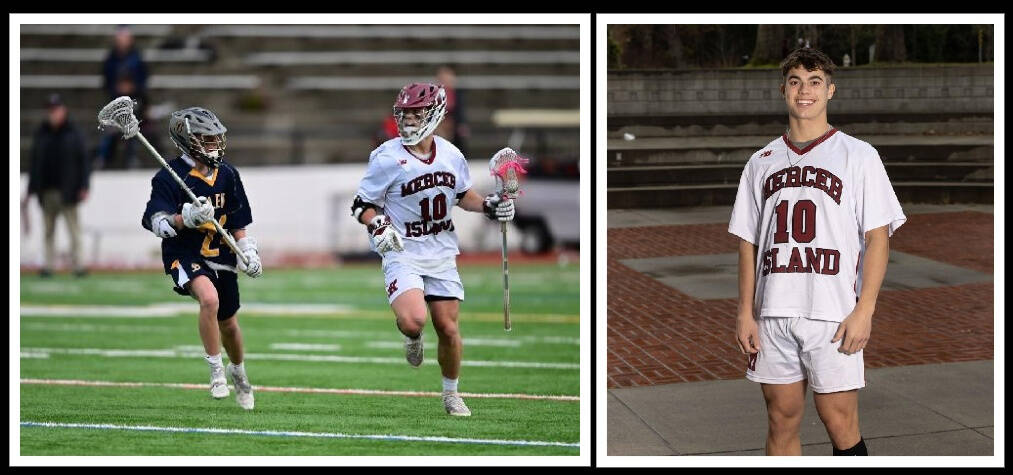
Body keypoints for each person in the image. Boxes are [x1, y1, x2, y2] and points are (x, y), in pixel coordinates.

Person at [728, 48, 906, 456]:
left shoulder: (859, 155)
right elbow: (747, 242)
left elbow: (878, 238)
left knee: (840, 423)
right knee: (780, 420)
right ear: (783, 90)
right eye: (795, 82)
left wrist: (865, 310)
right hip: (772, 312)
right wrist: (744, 312)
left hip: (833, 312)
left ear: (830, 90)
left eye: (814, 82)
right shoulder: (761, 161)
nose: (804, 91)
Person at [351, 82, 515, 416]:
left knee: (448, 327)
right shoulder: (387, 157)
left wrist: (488, 205)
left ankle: (451, 394)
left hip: (440, 251)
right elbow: (360, 205)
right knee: (414, 321)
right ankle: (411, 337)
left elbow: (461, 195)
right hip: (402, 249)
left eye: (416, 114)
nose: (409, 121)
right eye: (405, 114)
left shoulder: (452, 155)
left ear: (434, 114)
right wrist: (377, 223)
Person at [141, 106, 263, 410]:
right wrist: (186, 217)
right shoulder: (169, 176)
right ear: (188, 140)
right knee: (209, 300)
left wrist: (247, 250)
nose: (214, 145)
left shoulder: (229, 174)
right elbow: (155, 221)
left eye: (215, 138)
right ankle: (216, 372)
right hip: (184, 253)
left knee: (230, 325)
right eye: (206, 139)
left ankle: (239, 372)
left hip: (220, 256)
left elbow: (237, 220)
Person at [24, 93, 91, 278]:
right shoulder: (41, 133)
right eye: (50, 110)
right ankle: (48, 265)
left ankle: (79, 265)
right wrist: (31, 188)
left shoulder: (74, 133)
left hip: (68, 190)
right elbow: (35, 162)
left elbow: (83, 161)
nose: (53, 114)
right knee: (48, 231)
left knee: (73, 229)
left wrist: (84, 185)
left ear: (63, 110)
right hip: (46, 191)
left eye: (56, 110)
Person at [97, 25, 149, 169]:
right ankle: (104, 159)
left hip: (135, 102)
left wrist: (133, 87)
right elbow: (106, 81)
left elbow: (144, 80)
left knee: (133, 124)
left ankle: (131, 157)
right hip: (114, 101)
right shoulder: (111, 59)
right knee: (109, 128)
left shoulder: (137, 58)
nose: (121, 41)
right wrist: (116, 88)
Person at [435, 65, 469, 157]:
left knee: (460, 133)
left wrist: (461, 124)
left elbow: (460, 112)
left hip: (453, 123)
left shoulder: (457, 93)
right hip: (440, 123)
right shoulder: (435, 94)